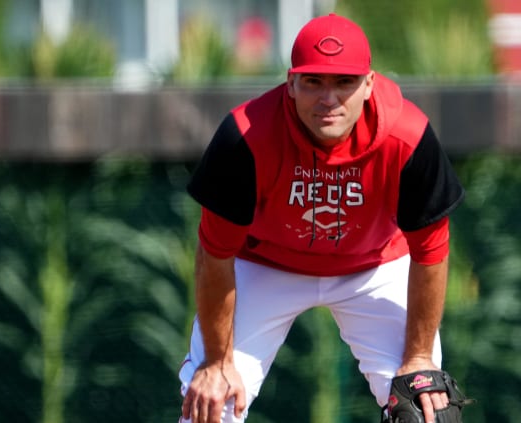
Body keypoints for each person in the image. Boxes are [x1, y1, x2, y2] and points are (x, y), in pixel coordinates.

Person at [179, 13, 465, 423]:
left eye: (344, 82)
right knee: (212, 402)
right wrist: (217, 363)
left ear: (369, 84)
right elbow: (215, 254)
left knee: (425, 408)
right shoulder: (247, 137)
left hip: (375, 265)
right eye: (314, 81)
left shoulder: (407, 136)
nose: (329, 98)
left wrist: (418, 357)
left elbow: (431, 251)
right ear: (291, 83)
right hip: (264, 265)